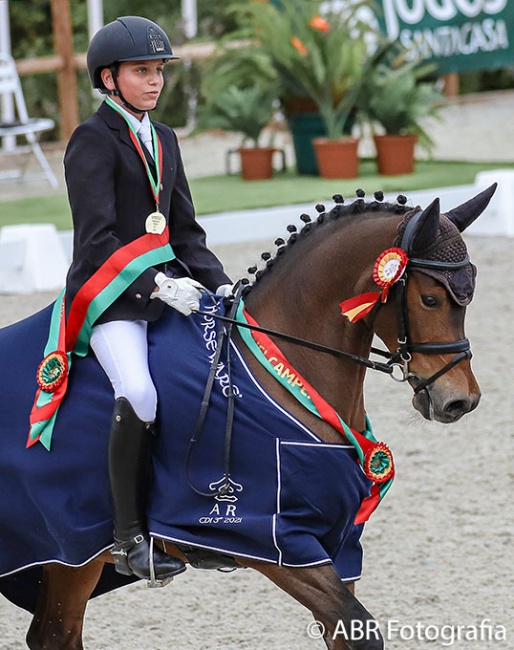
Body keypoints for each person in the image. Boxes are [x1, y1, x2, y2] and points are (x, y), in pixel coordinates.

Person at [64, 16, 232, 585]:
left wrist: (221, 283)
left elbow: (184, 230)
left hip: (175, 289)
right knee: (138, 389)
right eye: (142, 71)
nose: (155, 81)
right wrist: (157, 285)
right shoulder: (91, 139)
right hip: (110, 295)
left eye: (159, 70)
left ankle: (197, 520)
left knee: (209, 380)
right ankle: (129, 538)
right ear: (109, 78)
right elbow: (95, 241)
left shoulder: (165, 139)